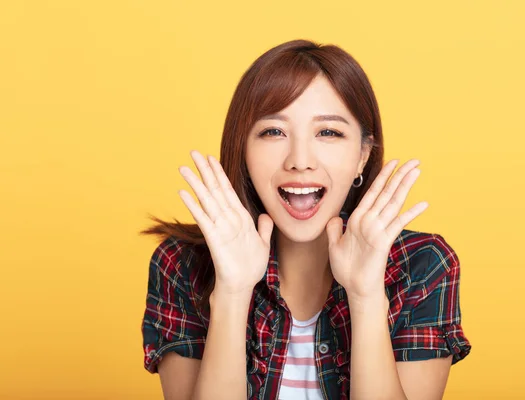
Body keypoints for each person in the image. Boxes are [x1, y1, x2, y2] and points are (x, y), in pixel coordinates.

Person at [140, 39, 471, 400]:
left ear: (362, 155)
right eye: (273, 132)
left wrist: (365, 295)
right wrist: (232, 294)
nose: (300, 160)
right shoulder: (182, 264)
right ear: (244, 150)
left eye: (328, 132)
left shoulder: (422, 264)